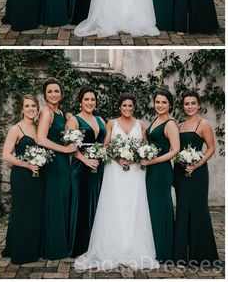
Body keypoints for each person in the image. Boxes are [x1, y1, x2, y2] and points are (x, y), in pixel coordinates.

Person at [74, 93, 159, 271]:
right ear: (119, 107)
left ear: (134, 107)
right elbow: (105, 146)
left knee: (134, 205)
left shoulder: (141, 124)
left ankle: (134, 246)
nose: (127, 109)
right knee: (115, 205)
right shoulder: (111, 123)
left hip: (135, 172)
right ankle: (113, 246)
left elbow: (146, 147)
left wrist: (135, 158)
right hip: (115, 170)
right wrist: (118, 158)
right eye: (124, 106)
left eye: (130, 106)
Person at [174, 90, 219, 266]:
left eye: (193, 103)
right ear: (183, 106)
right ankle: (180, 255)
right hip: (181, 173)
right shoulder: (179, 126)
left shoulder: (204, 124)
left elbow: (211, 148)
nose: (190, 107)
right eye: (186, 104)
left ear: (198, 104)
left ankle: (201, 255)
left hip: (198, 173)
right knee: (183, 209)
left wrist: (196, 164)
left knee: (198, 210)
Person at [37, 78, 76, 260]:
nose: (53, 94)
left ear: (61, 93)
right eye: (50, 91)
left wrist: (69, 121)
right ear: (45, 95)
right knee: (55, 202)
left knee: (63, 200)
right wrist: (65, 149)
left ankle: (62, 243)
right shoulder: (46, 112)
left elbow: (65, 136)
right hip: (53, 163)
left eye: (56, 91)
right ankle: (54, 248)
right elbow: (41, 139)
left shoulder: (60, 113)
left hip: (62, 163)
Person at [2, 95, 43, 264]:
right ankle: (21, 251)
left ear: (37, 108)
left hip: (38, 176)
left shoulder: (38, 128)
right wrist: (27, 165)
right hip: (22, 176)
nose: (31, 108)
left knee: (35, 212)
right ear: (22, 109)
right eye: (27, 106)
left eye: (33, 105)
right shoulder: (16, 129)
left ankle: (33, 247)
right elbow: (5, 155)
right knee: (21, 212)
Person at [67, 86, 106, 257]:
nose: (90, 102)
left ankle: (96, 244)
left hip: (99, 168)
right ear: (80, 102)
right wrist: (86, 160)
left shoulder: (100, 120)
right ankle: (80, 246)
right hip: (81, 168)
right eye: (86, 99)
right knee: (82, 205)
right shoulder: (74, 120)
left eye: (92, 99)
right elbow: (69, 146)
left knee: (98, 205)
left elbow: (106, 143)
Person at [142, 89, 180, 263]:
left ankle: (163, 250)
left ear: (170, 105)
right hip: (150, 169)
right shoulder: (155, 120)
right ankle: (153, 245)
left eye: (164, 102)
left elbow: (175, 150)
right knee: (151, 207)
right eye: (157, 102)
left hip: (161, 170)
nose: (160, 105)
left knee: (160, 207)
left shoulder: (170, 123)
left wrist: (153, 161)